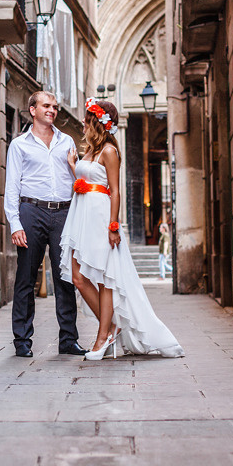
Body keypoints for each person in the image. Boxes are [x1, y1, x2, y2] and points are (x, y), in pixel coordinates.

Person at [59, 99, 185, 360]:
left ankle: (103, 335)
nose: (82, 122)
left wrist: (113, 225)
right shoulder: (89, 151)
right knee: (78, 278)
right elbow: (85, 181)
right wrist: (73, 166)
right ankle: (113, 325)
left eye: (86, 119)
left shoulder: (109, 151)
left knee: (106, 278)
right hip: (81, 214)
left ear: (96, 122)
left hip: (100, 216)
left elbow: (115, 190)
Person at [4, 91, 87, 358]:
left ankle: (68, 339)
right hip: (31, 211)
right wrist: (15, 224)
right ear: (33, 110)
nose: (52, 110)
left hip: (63, 213)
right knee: (26, 277)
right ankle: (22, 340)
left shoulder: (67, 142)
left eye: (54, 107)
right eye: (46, 106)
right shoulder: (19, 145)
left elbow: (77, 178)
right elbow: (12, 187)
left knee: (66, 278)